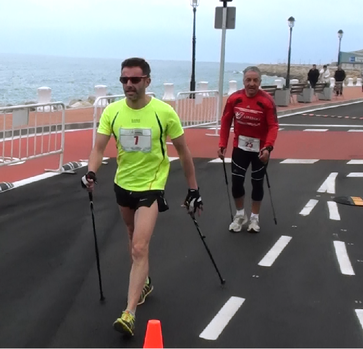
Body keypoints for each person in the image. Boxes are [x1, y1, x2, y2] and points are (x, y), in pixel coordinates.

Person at [81, 57, 203, 337]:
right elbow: (98, 149)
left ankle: (129, 313)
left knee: (139, 247)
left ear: (148, 81)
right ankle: (144, 281)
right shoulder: (113, 112)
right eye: (124, 79)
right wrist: (91, 172)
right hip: (123, 184)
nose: (128, 85)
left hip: (151, 186)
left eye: (135, 80)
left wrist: (193, 188)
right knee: (131, 233)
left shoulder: (164, 112)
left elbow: (184, 152)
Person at [217, 66, 279, 233]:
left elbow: (273, 126)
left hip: (260, 149)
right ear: (243, 81)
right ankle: (239, 215)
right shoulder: (234, 99)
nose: (251, 84)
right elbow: (225, 121)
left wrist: (268, 147)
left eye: (255, 80)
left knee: (257, 183)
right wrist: (222, 144)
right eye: (248, 80)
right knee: (237, 182)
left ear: (260, 82)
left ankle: (254, 218)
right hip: (240, 147)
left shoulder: (267, 101)